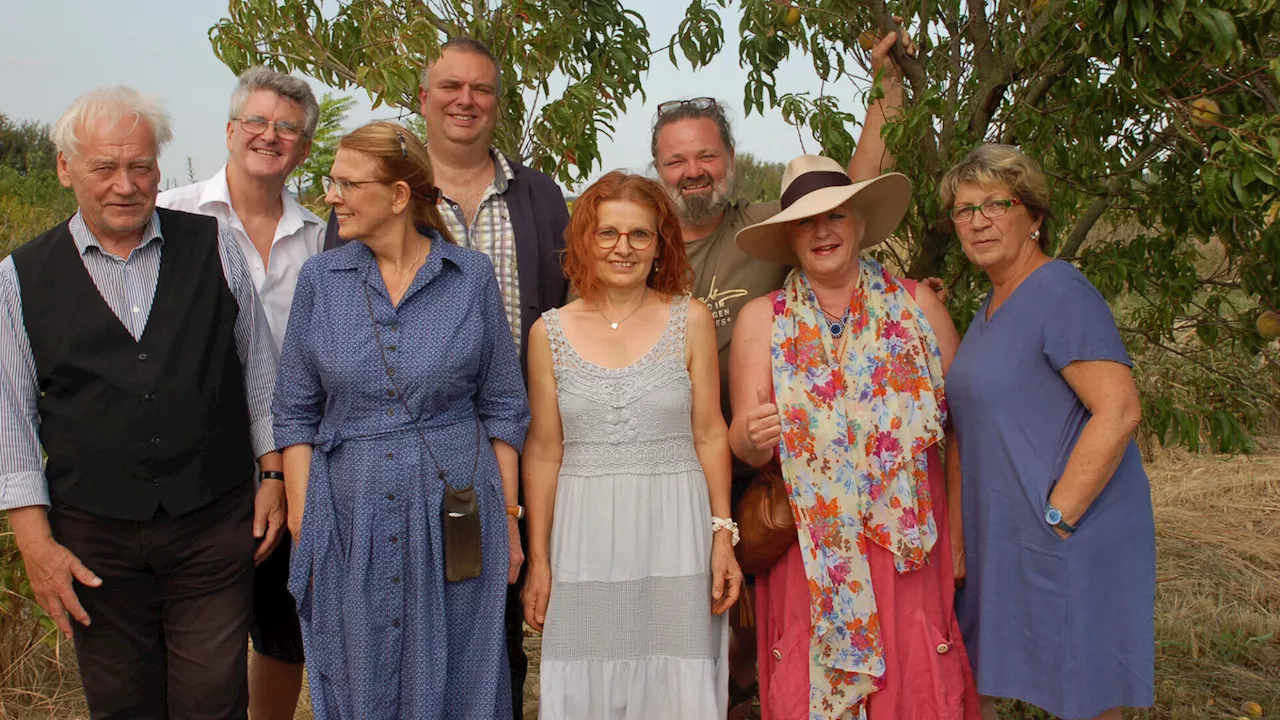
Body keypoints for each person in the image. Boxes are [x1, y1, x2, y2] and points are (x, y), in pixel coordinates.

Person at [649, 25, 921, 711]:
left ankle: (749, 692)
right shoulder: (636, 241)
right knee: (674, 620)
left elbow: (847, 193)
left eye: (705, 155)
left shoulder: (764, 225)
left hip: (753, 453)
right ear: (658, 168)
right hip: (662, 458)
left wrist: (885, 84)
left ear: (729, 159)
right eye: (677, 161)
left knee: (750, 604)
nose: (693, 172)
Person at [0, 86, 284, 719]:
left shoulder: (213, 245)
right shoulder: (19, 277)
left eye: (142, 167)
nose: (125, 185)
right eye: (105, 168)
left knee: (212, 696)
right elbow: (10, 420)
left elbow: (260, 371)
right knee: (121, 702)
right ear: (65, 168)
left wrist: (272, 475)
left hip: (213, 520)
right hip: (94, 537)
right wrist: (36, 545)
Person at [322, 39, 569, 713]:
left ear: (498, 102)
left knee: (488, 639)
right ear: (424, 99)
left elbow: (574, 315)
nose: (467, 100)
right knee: (388, 640)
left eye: (482, 89)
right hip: (388, 469)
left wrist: (517, 502)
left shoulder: (541, 198)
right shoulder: (367, 199)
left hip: (504, 452)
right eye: (451, 87)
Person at [273, 120, 530, 719]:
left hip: (457, 511)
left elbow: (503, 407)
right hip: (349, 510)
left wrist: (511, 523)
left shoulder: (470, 279)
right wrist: (307, 525)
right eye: (331, 181)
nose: (331, 196)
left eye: (346, 183)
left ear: (397, 195)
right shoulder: (321, 281)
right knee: (358, 667)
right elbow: (294, 413)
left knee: (463, 670)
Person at [728, 155, 981, 719]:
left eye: (836, 216)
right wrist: (749, 435)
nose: (822, 231)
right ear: (790, 237)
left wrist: (960, 536)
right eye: (805, 221)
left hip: (908, 546)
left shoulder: (919, 306)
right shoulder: (761, 321)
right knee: (810, 681)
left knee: (914, 681)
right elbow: (743, 447)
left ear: (860, 224)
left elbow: (965, 431)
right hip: (811, 549)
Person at [940, 144, 1154, 720]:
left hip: (1071, 529)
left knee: (1084, 689)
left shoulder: (1060, 290)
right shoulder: (990, 305)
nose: (978, 220)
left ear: (1033, 216)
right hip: (1011, 533)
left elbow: (1119, 410)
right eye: (964, 210)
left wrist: (1060, 515)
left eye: (996, 204)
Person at [520, 171, 743, 718]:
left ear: (659, 243)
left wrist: (723, 537)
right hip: (584, 532)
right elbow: (545, 452)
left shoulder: (689, 319)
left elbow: (710, 432)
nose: (623, 247)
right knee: (586, 677)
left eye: (639, 234)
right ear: (584, 241)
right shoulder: (547, 333)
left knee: (675, 678)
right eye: (608, 233)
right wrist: (540, 561)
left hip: (676, 531)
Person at [157, 66, 323, 720]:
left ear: (304, 148)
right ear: (229, 131)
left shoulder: (321, 240)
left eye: (287, 128)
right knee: (193, 639)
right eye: (256, 121)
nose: (269, 136)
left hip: (295, 462)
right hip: (193, 464)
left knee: (284, 632)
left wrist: (283, 474)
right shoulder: (170, 217)